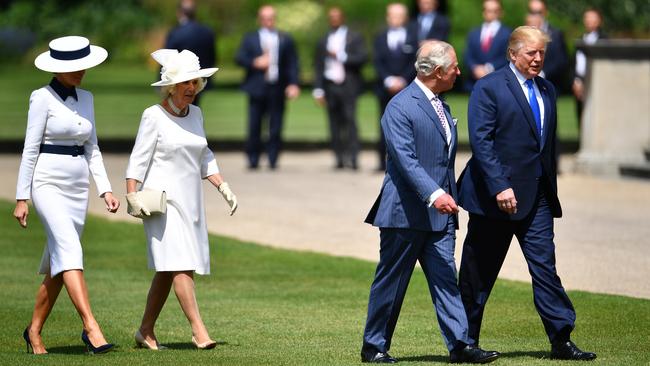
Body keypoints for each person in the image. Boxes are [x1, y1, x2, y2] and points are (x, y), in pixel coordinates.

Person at [457, 26, 597, 361]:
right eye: (531, 53)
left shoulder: (547, 89)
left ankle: (561, 340)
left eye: (541, 53)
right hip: (494, 200)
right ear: (513, 53)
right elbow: (482, 142)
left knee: (545, 269)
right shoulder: (489, 87)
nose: (537, 59)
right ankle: (464, 342)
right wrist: (500, 186)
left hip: (538, 199)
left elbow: (545, 148)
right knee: (477, 275)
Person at [361, 40, 499, 364]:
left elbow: (441, 161)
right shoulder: (399, 106)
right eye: (454, 67)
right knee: (392, 283)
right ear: (438, 71)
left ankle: (460, 345)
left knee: (446, 280)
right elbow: (406, 161)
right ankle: (374, 347)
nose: (459, 72)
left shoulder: (443, 105)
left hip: (440, 218)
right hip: (404, 215)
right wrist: (435, 195)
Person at [125, 49, 238, 351]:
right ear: (172, 86)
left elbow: (204, 156)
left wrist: (222, 185)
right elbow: (138, 159)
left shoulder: (197, 115)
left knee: (168, 268)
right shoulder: (153, 115)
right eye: (186, 82)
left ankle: (145, 330)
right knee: (181, 265)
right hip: (161, 203)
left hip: (191, 201)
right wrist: (131, 193)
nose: (191, 88)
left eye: (196, 82)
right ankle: (198, 330)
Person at [13, 35, 119, 355]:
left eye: (83, 66)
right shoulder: (41, 97)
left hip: (77, 189)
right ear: (57, 68)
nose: (80, 72)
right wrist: (22, 197)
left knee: (59, 265)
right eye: (73, 67)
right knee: (70, 251)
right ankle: (91, 326)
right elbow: (30, 148)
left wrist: (106, 189)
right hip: (46, 184)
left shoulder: (86, 98)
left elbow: (93, 148)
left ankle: (33, 332)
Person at [235, 4, 300, 170]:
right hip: (257, 87)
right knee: (254, 124)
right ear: (260, 19)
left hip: (277, 87)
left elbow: (292, 63)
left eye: (271, 18)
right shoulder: (250, 38)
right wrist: (254, 62)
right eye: (265, 18)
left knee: (276, 125)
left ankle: (273, 159)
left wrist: (293, 83)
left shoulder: (285, 38)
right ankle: (253, 159)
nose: (268, 21)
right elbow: (240, 57)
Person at [313, 6, 368, 170]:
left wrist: (342, 56)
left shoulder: (354, 37)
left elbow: (362, 57)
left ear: (342, 18)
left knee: (350, 121)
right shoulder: (323, 40)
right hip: (330, 85)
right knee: (333, 123)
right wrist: (318, 89)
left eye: (337, 16)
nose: (334, 19)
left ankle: (353, 157)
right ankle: (338, 157)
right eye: (331, 17)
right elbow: (318, 65)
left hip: (348, 84)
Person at [373, 3, 418, 171]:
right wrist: (388, 80)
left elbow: (415, 62)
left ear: (405, 18)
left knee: (408, 126)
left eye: (399, 15)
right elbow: (377, 61)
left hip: (406, 88)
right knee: (384, 124)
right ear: (387, 17)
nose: (395, 19)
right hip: (385, 89)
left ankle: (406, 163)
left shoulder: (413, 37)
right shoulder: (380, 37)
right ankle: (381, 162)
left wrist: (403, 80)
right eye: (392, 15)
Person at [164, 0, 216, 106]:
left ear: (179, 12)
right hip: (199, 79)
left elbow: (167, 58)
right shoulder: (207, 32)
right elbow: (212, 57)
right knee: (193, 108)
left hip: (178, 80)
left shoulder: (176, 32)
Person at [462, 0, 511, 92]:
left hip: (498, 81)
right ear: (483, 12)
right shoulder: (473, 33)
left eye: (494, 11)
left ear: (500, 12)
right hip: (474, 82)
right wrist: (474, 67)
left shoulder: (508, 33)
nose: (491, 14)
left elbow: (507, 56)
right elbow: (467, 55)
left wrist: (488, 68)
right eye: (488, 10)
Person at [572, 8, 606, 130]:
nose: (589, 21)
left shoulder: (605, 40)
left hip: (595, 82)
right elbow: (576, 63)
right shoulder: (580, 39)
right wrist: (576, 81)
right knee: (580, 113)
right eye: (587, 18)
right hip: (579, 81)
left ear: (599, 21)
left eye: (592, 18)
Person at [526, 0, 569, 92]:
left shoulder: (556, 34)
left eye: (539, 12)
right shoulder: (523, 34)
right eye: (532, 12)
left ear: (545, 13)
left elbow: (561, 61)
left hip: (549, 85)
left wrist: (543, 73)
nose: (535, 16)